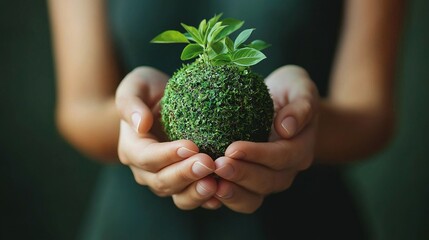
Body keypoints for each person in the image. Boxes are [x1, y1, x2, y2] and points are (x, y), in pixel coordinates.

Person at [47, 0, 405, 239]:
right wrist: (135, 122)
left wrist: (301, 123)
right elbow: (79, 107)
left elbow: (371, 117)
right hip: (135, 223)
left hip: (307, 222)